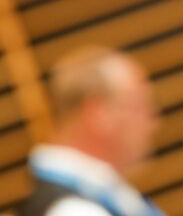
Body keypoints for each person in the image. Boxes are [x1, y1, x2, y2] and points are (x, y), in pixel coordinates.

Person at [21, 47, 162, 216]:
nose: (154, 123)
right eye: (139, 108)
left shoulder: (98, 194)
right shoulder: (75, 210)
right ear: (99, 114)